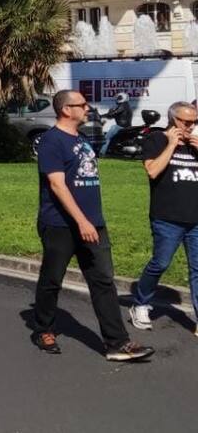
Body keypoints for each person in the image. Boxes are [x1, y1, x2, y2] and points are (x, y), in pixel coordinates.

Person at [31, 90, 153, 361]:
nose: (87, 108)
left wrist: (92, 220)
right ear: (66, 110)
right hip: (61, 224)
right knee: (52, 280)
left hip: (93, 224)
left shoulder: (83, 139)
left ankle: (117, 343)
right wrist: (81, 220)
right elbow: (57, 185)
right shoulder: (51, 141)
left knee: (102, 281)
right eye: (82, 105)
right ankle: (43, 329)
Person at [130, 100, 198, 332]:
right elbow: (152, 170)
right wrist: (171, 144)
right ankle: (140, 303)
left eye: (194, 122)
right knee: (161, 263)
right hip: (167, 217)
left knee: (197, 269)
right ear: (173, 119)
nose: (189, 127)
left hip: (195, 218)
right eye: (185, 122)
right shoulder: (156, 139)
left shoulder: (194, 144)